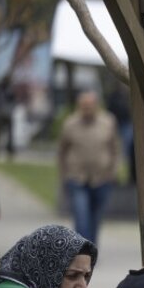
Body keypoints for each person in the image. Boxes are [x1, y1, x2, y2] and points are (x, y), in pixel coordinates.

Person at [58, 90, 123, 246]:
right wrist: (64, 175)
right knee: (81, 216)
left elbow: (115, 148)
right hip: (77, 178)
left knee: (95, 217)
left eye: (89, 105)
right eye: (83, 106)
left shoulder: (108, 122)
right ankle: (81, 249)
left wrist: (113, 171)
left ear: (96, 105)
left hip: (102, 178)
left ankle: (91, 248)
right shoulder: (70, 124)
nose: (86, 109)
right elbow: (62, 151)